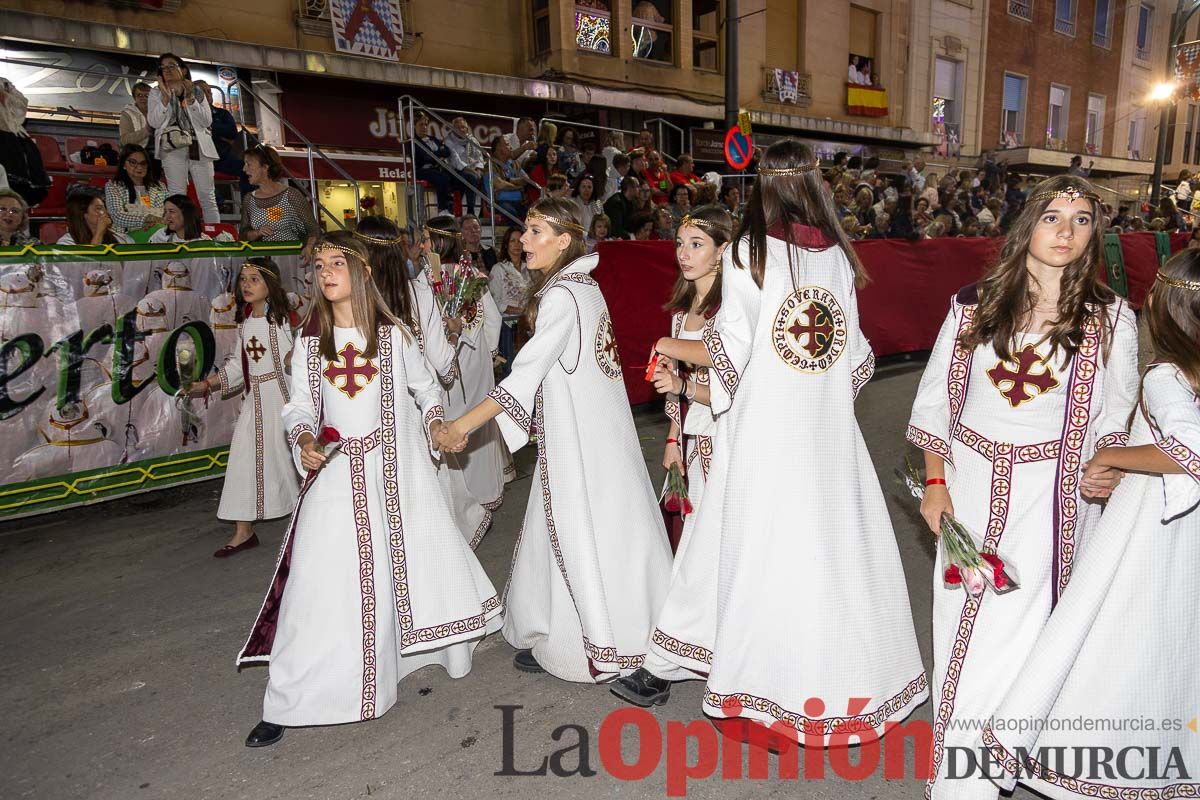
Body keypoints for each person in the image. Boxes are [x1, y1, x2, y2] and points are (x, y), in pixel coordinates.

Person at [651, 139, 928, 744]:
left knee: (765, 557)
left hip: (768, 436)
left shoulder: (749, 251)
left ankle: (769, 688)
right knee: (830, 556)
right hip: (828, 435)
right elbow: (853, 357)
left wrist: (671, 349)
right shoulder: (838, 257)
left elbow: (728, 352)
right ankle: (848, 683)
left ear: (763, 184)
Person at [907, 176, 1138, 798]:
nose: (1066, 231)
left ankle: (997, 763)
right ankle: (960, 771)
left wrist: (1108, 463)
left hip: (1053, 502)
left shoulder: (1111, 318)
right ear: (1026, 224)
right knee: (966, 625)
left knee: (1028, 630)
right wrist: (935, 483)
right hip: (970, 486)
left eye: (1082, 219)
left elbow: (1115, 416)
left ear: (1095, 233)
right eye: (1053, 216)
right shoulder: (972, 305)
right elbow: (937, 401)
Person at [236, 232, 502, 747]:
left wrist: (432, 424)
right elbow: (297, 408)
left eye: (338, 262)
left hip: (390, 476)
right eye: (319, 265)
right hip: (335, 474)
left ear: (360, 272)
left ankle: (384, 668)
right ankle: (288, 696)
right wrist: (304, 436)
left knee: (390, 574)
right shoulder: (310, 345)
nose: (326, 272)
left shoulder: (393, 336)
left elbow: (427, 390)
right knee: (314, 579)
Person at [983, 251, 1200, 800]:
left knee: (1118, 639)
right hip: (1182, 532)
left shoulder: (1166, 378)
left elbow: (1188, 450)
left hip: (1150, 534)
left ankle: (1100, 760)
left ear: (1167, 312)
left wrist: (1115, 459)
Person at [442, 198, 671, 679]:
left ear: (564, 240)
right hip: (600, 437)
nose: (523, 240)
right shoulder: (585, 287)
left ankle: (590, 643)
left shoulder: (563, 297)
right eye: (524, 231)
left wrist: (460, 426)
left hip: (583, 445)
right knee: (573, 530)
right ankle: (551, 625)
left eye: (534, 231)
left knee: (579, 534)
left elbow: (523, 377)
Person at [610, 205, 731, 706]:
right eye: (680, 243)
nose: (684, 253)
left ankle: (668, 662)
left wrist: (680, 374)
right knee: (696, 552)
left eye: (697, 243)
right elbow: (677, 393)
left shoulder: (735, 312)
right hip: (694, 445)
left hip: (728, 446)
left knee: (707, 556)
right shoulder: (684, 314)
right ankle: (704, 651)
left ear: (724, 251)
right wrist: (672, 438)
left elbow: (738, 385)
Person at [354, 216, 496, 550]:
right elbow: (442, 362)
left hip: (369, 413)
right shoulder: (417, 293)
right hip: (415, 410)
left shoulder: (354, 301)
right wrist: (452, 337)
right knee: (424, 490)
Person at [187, 258, 298, 556]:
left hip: (284, 400)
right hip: (256, 401)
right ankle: (243, 531)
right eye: (243, 279)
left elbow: (303, 360)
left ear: (270, 284)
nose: (246, 285)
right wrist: (207, 384)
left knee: (289, 462)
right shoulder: (247, 321)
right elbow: (239, 364)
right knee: (242, 460)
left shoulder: (285, 321)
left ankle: (306, 526)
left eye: (254, 279)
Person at [425, 216, 508, 510]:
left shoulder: (429, 280)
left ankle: (454, 500)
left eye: (425, 240)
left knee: (453, 423)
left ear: (438, 242)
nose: (422, 246)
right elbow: (493, 320)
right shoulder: (468, 273)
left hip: (445, 362)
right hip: (475, 360)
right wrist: (489, 352)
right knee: (476, 424)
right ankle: (485, 491)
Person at [147, 53, 220, 223]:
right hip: (172, 146)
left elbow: (206, 120)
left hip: (199, 146)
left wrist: (190, 98)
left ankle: (216, 236)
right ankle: (180, 235)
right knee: (177, 195)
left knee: (207, 196)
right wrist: (165, 99)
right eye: (163, 68)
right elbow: (154, 121)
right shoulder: (156, 92)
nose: (167, 70)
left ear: (183, 70)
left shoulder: (196, 90)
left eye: (172, 66)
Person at [239, 143, 319, 261]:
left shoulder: (291, 195)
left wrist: (309, 247)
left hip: (292, 260)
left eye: (249, 164)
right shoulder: (249, 199)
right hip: (262, 261)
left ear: (265, 167)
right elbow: (243, 235)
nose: (244, 169)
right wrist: (257, 233)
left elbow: (314, 230)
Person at [489, 226, 531, 379]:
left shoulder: (531, 268)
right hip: (507, 326)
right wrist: (516, 310)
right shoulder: (498, 269)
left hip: (528, 324)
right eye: (512, 241)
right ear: (506, 245)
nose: (517, 245)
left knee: (529, 369)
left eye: (520, 241)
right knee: (511, 372)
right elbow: (494, 301)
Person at [197, 80, 248, 194]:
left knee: (247, 169)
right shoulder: (190, 114)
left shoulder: (222, 113)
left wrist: (209, 127)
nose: (208, 94)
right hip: (201, 159)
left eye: (209, 91)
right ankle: (218, 204)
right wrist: (219, 134)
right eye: (203, 92)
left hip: (223, 158)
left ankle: (248, 204)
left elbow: (232, 132)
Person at [104, 145, 167, 234]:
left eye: (143, 163)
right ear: (123, 165)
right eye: (133, 162)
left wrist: (132, 211)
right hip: (125, 236)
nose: (139, 167)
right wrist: (146, 218)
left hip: (156, 231)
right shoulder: (113, 186)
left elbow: (165, 213)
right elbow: (117, 216)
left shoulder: (159, 187)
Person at [412, 113, 456, 215]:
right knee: (442, 177)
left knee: (457, 176)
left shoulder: (432, 139)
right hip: (422, 170)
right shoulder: (412, 141)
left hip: (437, 168)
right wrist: (437, 154)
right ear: (414, 126)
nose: (424, 127)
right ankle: (442, 208)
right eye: (421, 124)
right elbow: (422, 158)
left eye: (426, 124)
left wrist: (433, 154)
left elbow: (447, 151)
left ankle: (451, 204)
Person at [445, 116, 486, 215]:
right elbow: (456, 161)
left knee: (488, 178)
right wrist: (474, 172)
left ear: (467, 129)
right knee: (471, 178)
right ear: (453, 129)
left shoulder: (473, 140)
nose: (461, 130)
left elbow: (479, 156)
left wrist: (479, 170)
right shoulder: (448, 140)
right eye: (458, 128)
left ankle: (484, 211)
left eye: (463, 127)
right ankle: (470, 211)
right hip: (455, 171)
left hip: (474, 171)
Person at [485, 137, 532, 222]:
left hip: (520, 202)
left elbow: (527, 180)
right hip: (499, 203)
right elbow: (500, 185)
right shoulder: (489, 165)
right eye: (507, 144)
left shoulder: (514, 163)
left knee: (533, 216)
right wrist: (518, 187)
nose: (511, 147)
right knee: (512, 215)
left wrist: (509, 180)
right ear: (498, 148)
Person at [58, 192, 131, 245]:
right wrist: (99, 233)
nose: (106, 212)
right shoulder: (66, 243)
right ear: (82, 214)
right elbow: (90, 264)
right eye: (99, 208)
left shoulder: (122, 239)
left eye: (105, 208)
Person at [118, 82, 154, 151]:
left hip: (159, 154)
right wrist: (147, 130)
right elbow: (124, 140)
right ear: (134, 98)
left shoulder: (158, 112)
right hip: (137, 153)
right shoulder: (127, 114)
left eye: (147, 96)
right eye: (139, 95)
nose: (143, 98)